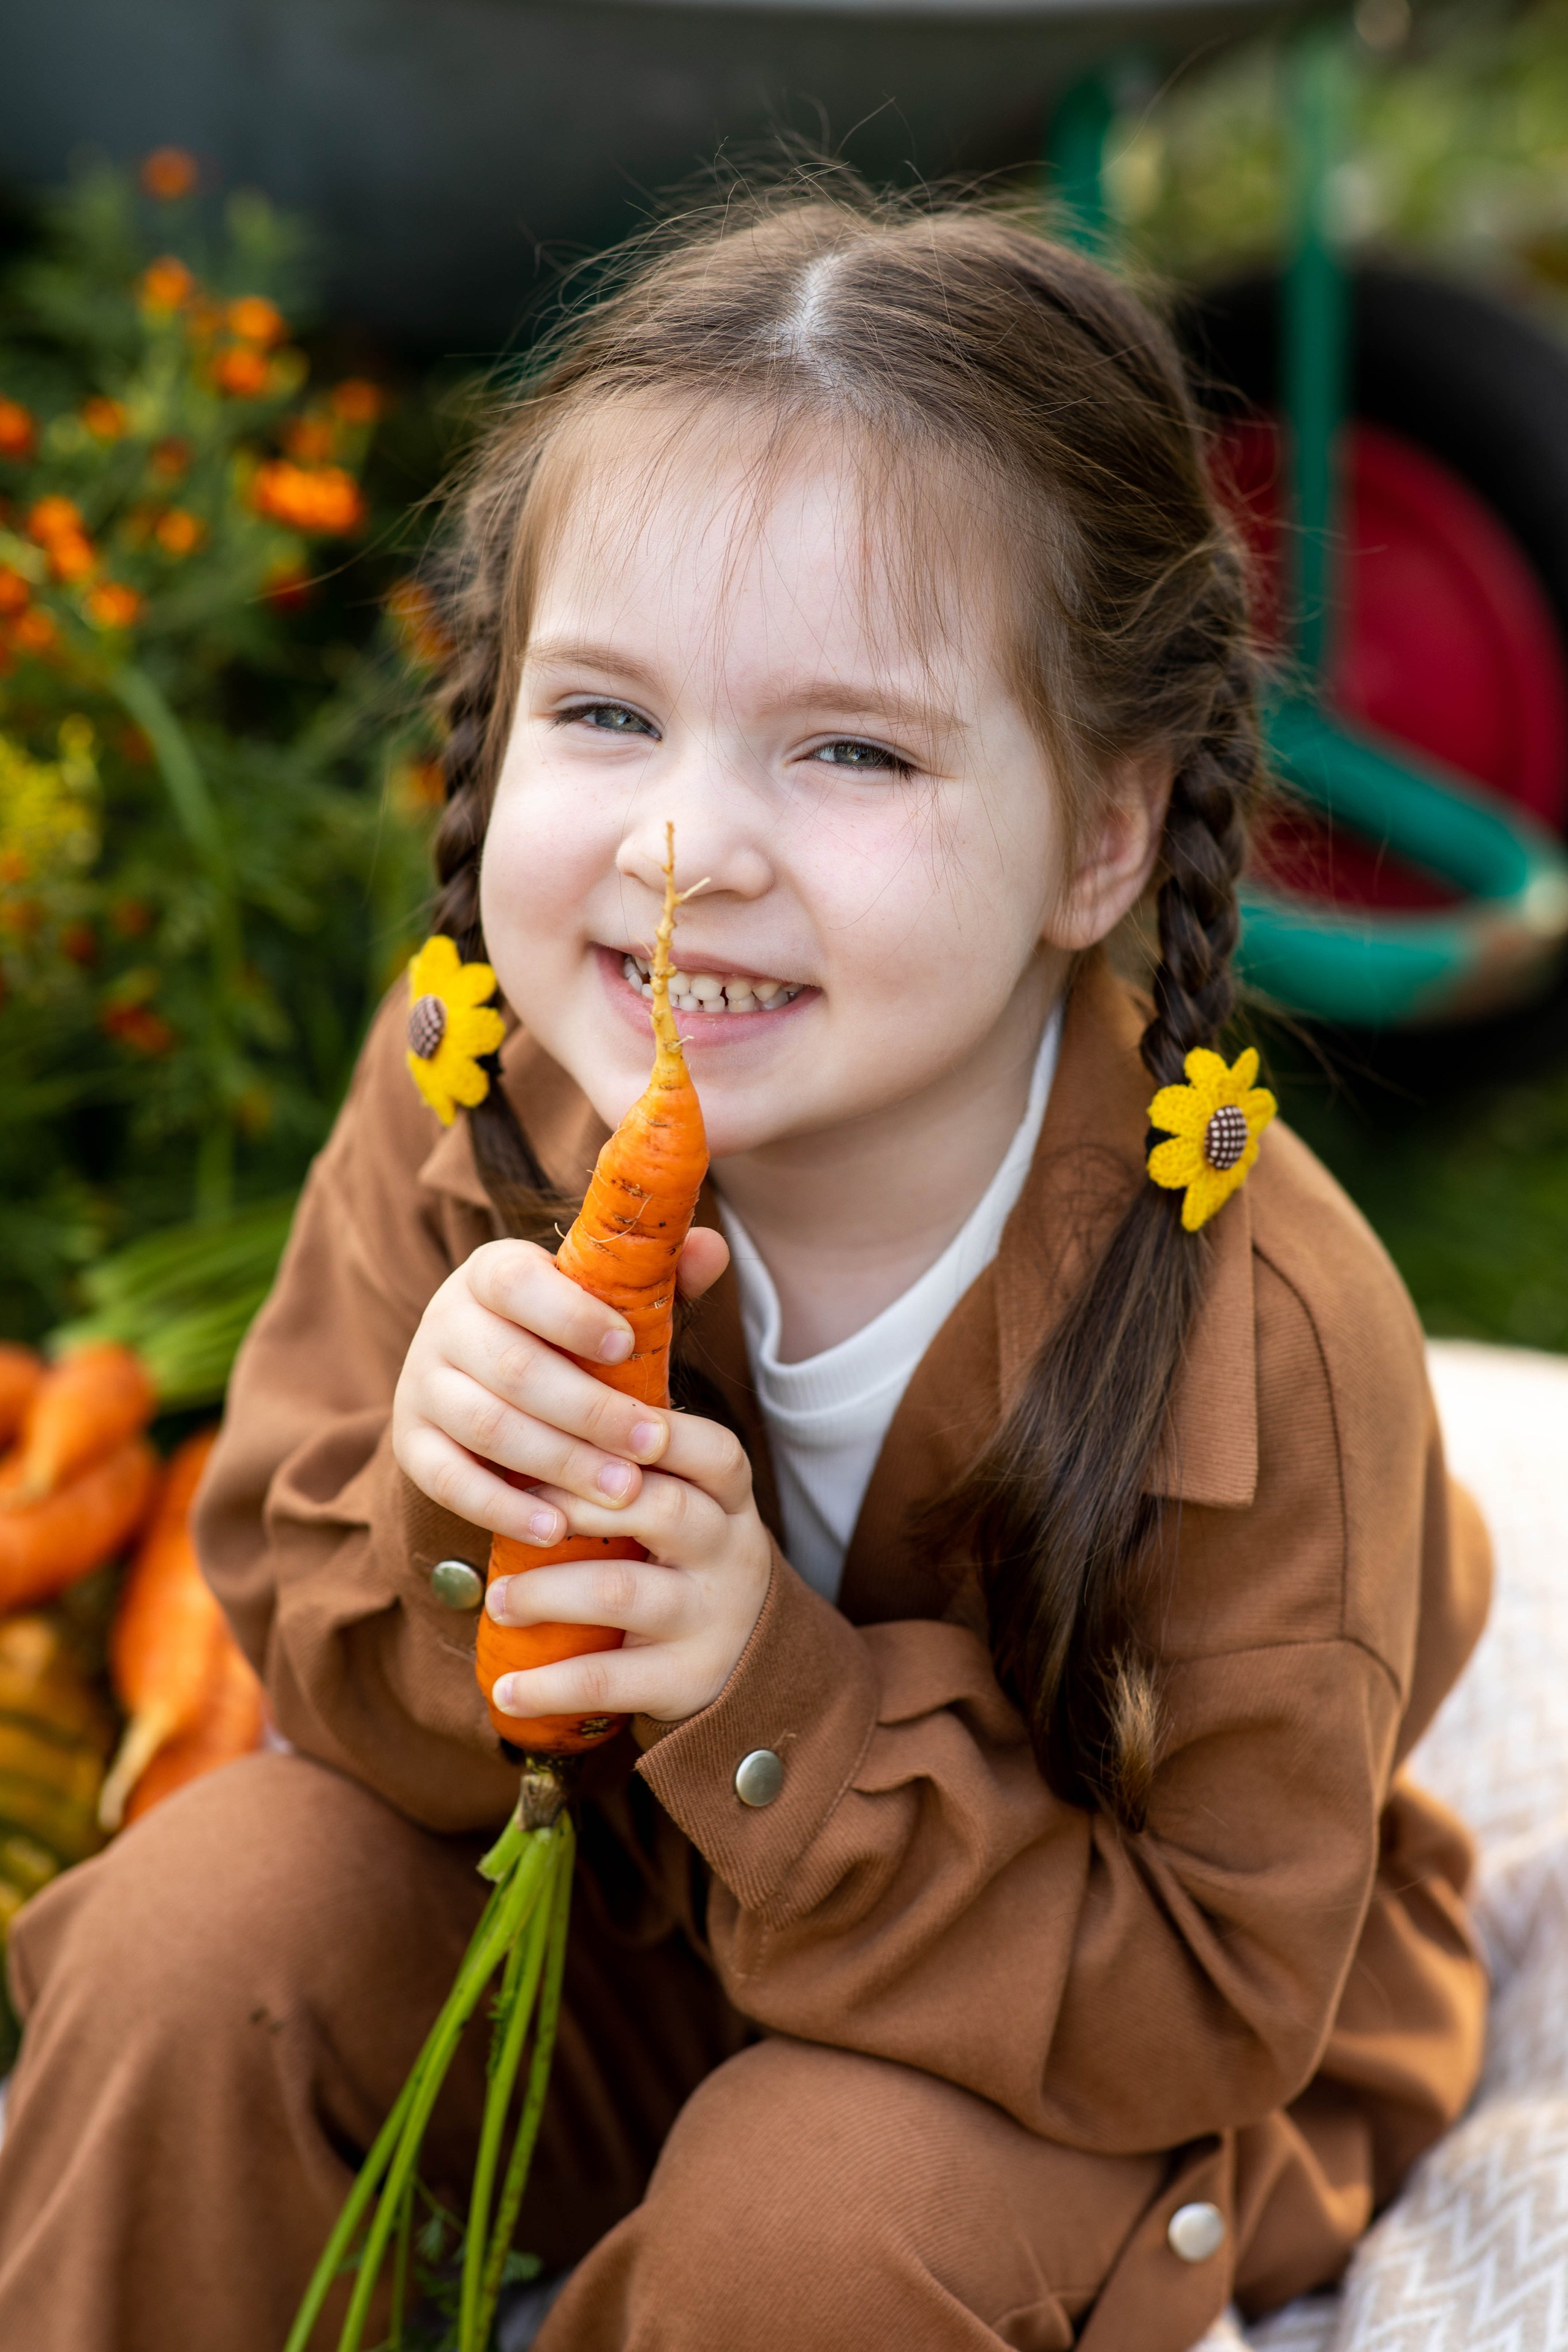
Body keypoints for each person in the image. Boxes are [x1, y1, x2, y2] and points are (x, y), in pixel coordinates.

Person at [0, 185, 1491, 2352]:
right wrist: (449, 1523)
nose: (686, 847)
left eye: (854, 748)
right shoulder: (473, 1083)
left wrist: (762, 1700)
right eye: (605, 716)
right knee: (191, 1937)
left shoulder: (1253, 1320)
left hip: (1070, 2054)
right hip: (628, 1933)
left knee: (810, 2217)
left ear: (1099, 834)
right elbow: (338, 1689)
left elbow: (1208, 1989)